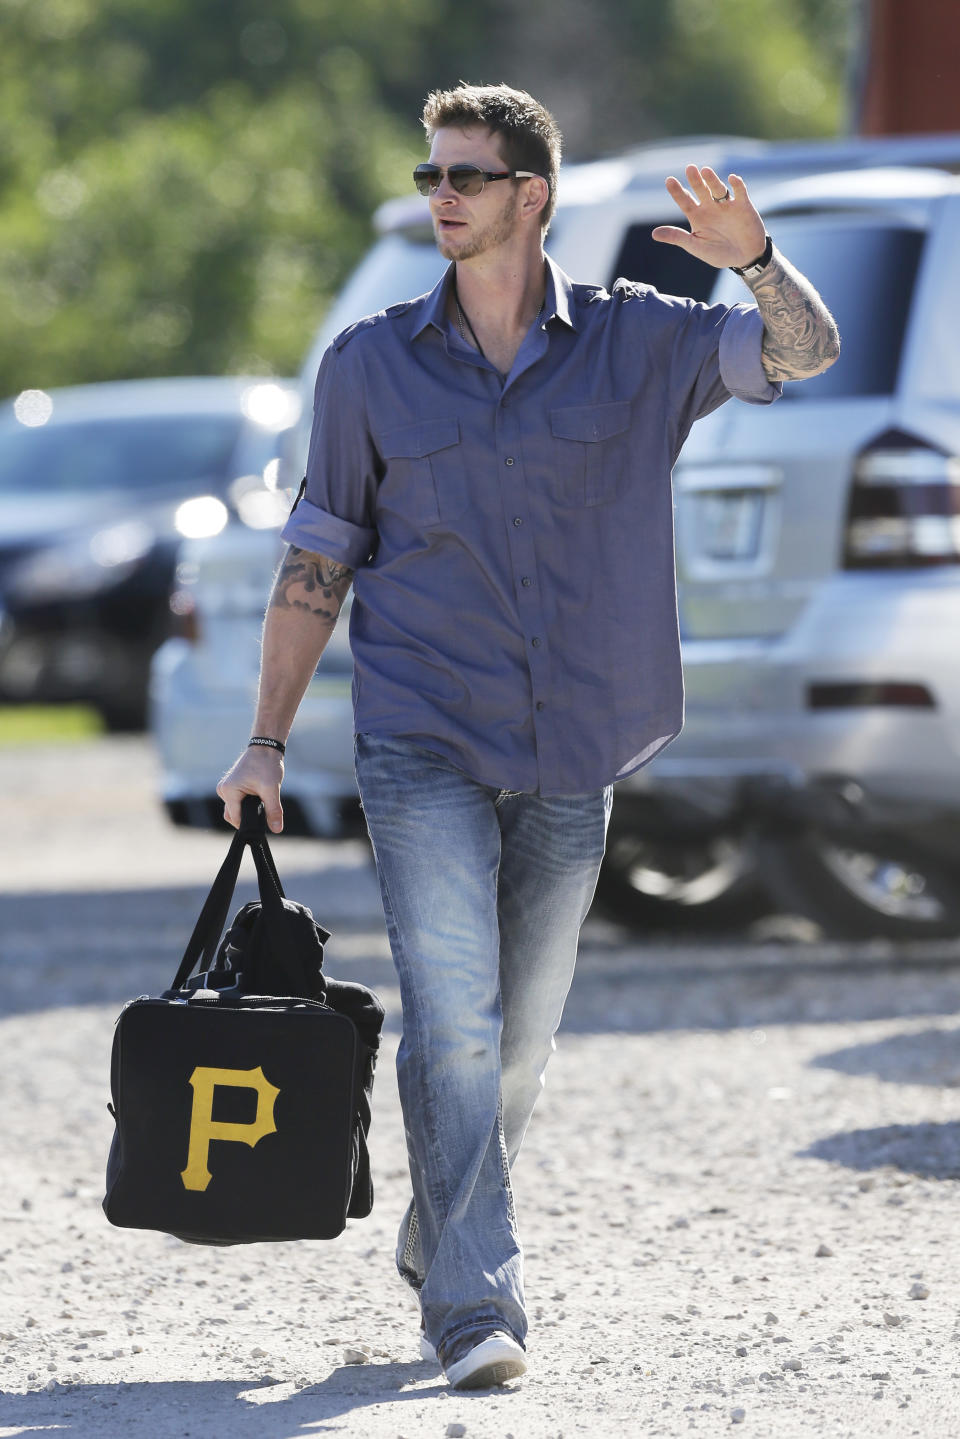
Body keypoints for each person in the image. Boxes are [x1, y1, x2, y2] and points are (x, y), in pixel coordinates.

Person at [217, 83, 839, 1390]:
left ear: (531, 197)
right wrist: (264, 741)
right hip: (423, 733)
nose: (441, 196)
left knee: (518, 1042)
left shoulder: (643, 343)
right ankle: (474, 1311)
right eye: (433, 174)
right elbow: (316, 558)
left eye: (466, 177)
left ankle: (440, 1228)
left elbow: (804, 352)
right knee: (454, 1017)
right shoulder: (370, 366)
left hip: (580, 743)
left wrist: (759, 263)